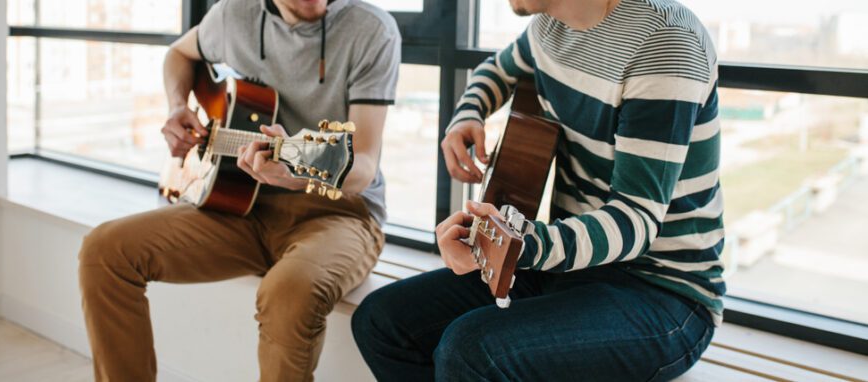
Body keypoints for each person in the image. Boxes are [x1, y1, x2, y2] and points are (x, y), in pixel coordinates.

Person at [352, 0, 724, 380]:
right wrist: (468, 114)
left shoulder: (665, 44)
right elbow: (497, 69)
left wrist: (517, 246)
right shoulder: (548, 25)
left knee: (471, 351)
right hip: (570, 266)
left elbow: (634, 223)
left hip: (663, 293)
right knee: (380, 321)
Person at [77, 0, 399, 380]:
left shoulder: (371, 29)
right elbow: (179, 52)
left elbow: (362, 164)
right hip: (242, 206)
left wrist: (293, 172)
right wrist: (177, 106)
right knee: (104, 251)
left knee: (288, 294)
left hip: (341, 215)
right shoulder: (234, 15)